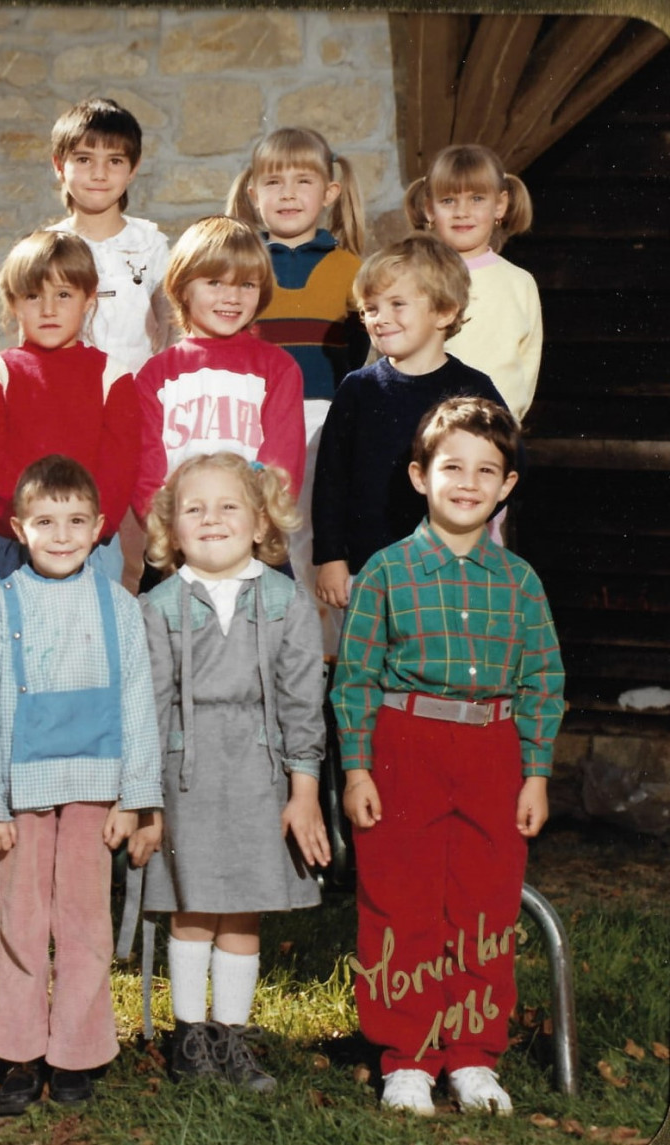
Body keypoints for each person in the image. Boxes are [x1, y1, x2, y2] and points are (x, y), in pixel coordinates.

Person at [334, 397, 563, 1117]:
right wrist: (358, 767)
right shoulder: (386, 572)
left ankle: (470, 1054)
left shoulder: (521, 582)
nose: (468, 482)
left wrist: (535, 772)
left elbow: (543, 681)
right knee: (401, 901)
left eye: (487, 470)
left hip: (493, 749)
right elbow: (357, 679)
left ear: (507, 486)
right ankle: (405, 1054)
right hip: (406, 745)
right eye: (452, 466)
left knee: (483, 905)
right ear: (419, 474)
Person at [0, 456, 162, 1115]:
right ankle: (18, 1047)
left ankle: (75, 1050)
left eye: (76, 521)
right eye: (45, 521)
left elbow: (137, 704)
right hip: (20, 796)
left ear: (100, 527)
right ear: (20, 527)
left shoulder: (119, 608)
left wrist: (137, 798)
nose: (62, 533)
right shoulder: (0, 607)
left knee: (83, 920)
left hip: (95, 794)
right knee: (22, 918)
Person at [137, 450, 329, 1093]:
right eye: (194, 509)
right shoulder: (159, 606)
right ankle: (189, 1036)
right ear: (171, 526)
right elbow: (149, 707)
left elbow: (303, 701)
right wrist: (146, 799)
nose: (211, 520)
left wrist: (303, 791)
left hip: (260, 769)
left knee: (243, 908)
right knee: (191, 906)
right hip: (183, 770)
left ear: (259, 524)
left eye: (228, 507)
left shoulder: (285, 601)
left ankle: (233, 1035)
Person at [312, 234, 512, 612]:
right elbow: (330, 480)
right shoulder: (357, 389)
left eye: (397, 304)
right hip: (367, 569)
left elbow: (510, 465)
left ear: (445, 311)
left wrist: (471, 523)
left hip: (453, 567)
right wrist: (330, 557)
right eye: (370, 308)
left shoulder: (472, 388)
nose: (379, 318)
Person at [227, 126, 369, 617]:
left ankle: (323, 657)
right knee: (260, 534)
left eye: (302, 181)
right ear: (253, 193)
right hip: (254, 422)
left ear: (329, 192)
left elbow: (358, 355)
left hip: (324, 421)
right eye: (273, 182)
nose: (287, 193)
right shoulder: (241, 268)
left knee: (317, 535)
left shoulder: (351, 269)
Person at [0, 230, 141, 588]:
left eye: (63, 295)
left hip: (92, 545)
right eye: (33, 296)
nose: (48, 309)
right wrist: (33, 526)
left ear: (88, 298)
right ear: (14, 303)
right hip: (14, 539)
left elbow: (119, 469)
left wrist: (83, 529)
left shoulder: (113, 376)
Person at [129, 217, 306, 557]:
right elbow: (146, 474)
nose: (232, 297)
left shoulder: (278, 368)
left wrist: (256, 526)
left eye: (246, 285)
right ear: (182, 287)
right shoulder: (156, 375)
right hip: (177, 545)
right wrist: (168, 532)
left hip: (251, 545)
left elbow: (282, 466)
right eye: (215, 282)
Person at [405, 144, 541, 422]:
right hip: (426, 428)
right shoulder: (414, 277)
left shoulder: (519, 282)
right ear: (429, 208)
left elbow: (527, 366)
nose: (462, 212)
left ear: (500, 205)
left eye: (477, 198)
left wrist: (508, 422)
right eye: (448, 201)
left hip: (494, 429)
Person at [46, 98, 171, 373]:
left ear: (133, 169)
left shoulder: (151, 245)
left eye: (114, 161)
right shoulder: (45, 249)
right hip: (69, 396)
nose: (99, 174)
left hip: (137, 395)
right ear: (58, 165)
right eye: (83, 159)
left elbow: (171, 329)